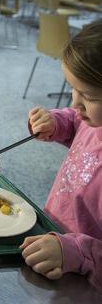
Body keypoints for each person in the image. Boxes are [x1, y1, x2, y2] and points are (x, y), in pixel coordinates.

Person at [23, 20, 102, 291]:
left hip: (84, 276)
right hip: (52, 237)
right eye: (73, 88)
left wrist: (79, 253)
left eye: (88, 96)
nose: (74, 103)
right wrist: (55, 122)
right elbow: (75, 121)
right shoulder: (92, 119)